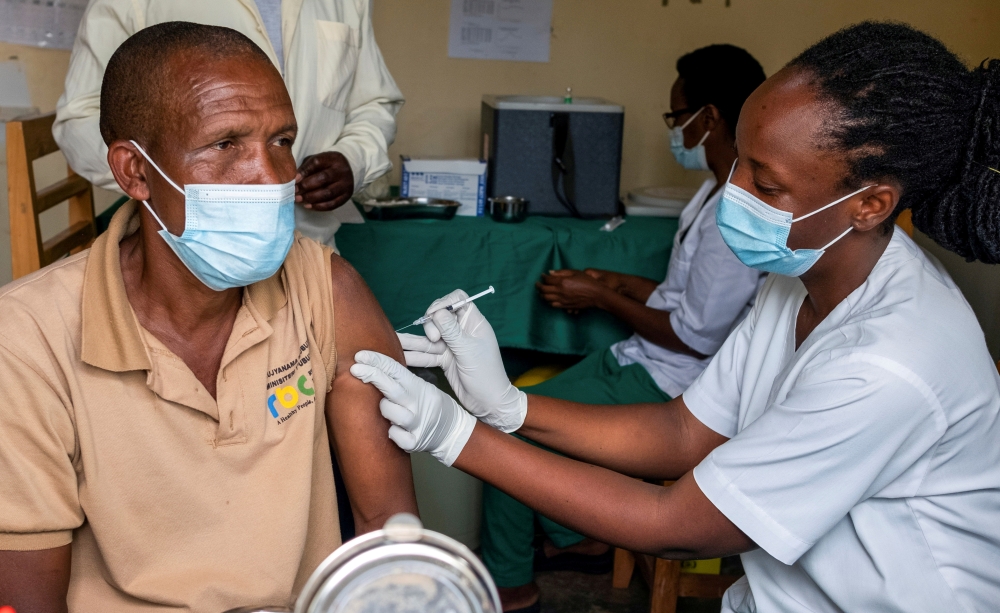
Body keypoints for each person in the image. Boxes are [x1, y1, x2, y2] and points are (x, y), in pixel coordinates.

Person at [353, 22, 1000, 613]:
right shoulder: (799, 278)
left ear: (871, 202)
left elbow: (673, 521)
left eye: (766, 184)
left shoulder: (889, 361)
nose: (734, 193)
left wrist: (453, 431)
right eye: (739, 160)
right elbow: (684, 430)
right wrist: (509, 408)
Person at [0, 23, 417, 612]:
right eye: (226, 145)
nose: (273, 177)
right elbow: (27, 598)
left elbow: (387, 530)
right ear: (135, 172)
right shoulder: (26, 339)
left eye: (281, 140)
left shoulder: (326, 290)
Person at [476, 45, 766, 611]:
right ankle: (578, 535)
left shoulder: (738, 210)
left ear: (709, 118)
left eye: (676, 116)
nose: (673, 130)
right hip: (645, 358)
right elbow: (684, 297)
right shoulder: (712, 192)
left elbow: (694, 336)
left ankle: (509, 582)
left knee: (500, 425)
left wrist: (601, 295)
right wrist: (613, 282)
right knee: (523, 405)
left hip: (674, 381)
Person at [54, 0, 403, 247]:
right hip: (184, 250)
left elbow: (374, 102)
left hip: (308, 241)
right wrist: (166, 181)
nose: (267, 178)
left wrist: (353, 158)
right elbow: (80, 119)